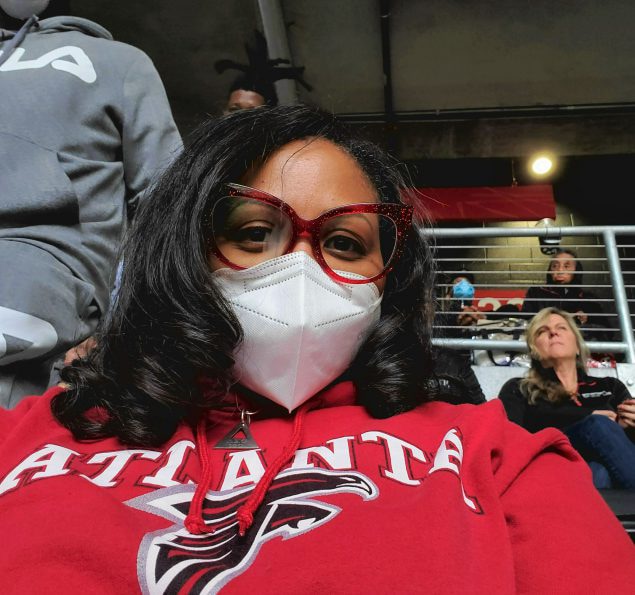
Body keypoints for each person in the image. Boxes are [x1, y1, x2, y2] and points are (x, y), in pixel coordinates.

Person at [0, 106, 632, 592]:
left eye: (346, 243)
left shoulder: (494, 457)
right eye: (253, 232)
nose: (303, 270)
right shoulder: (28, 438)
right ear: (181, 253)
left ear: (390, 277)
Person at [0, 1, 181, 406]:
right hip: (41, 284)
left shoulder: (117, 62)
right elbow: (167, 200)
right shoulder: (124, 62)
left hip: (33, 281)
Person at [499, 307, 635, 489]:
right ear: (535, 351)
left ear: (578, 346)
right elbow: (511, 440)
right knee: (598, 425)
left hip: (598, 477)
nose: (553, 332)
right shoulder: (519, 389)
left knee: (598, 472)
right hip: (551, 467)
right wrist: (589, 416)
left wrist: (630, 426)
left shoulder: (611, 386)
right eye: (542, 331)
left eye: (562, 328)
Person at [521, 248, 610, 340]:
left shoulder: (588, 298)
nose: (560, 271)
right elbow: (525, 323)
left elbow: (606, 332)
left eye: (566, 266)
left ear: (576, 270)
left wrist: (584, 323)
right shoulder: (536, 293)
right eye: (555, 266)